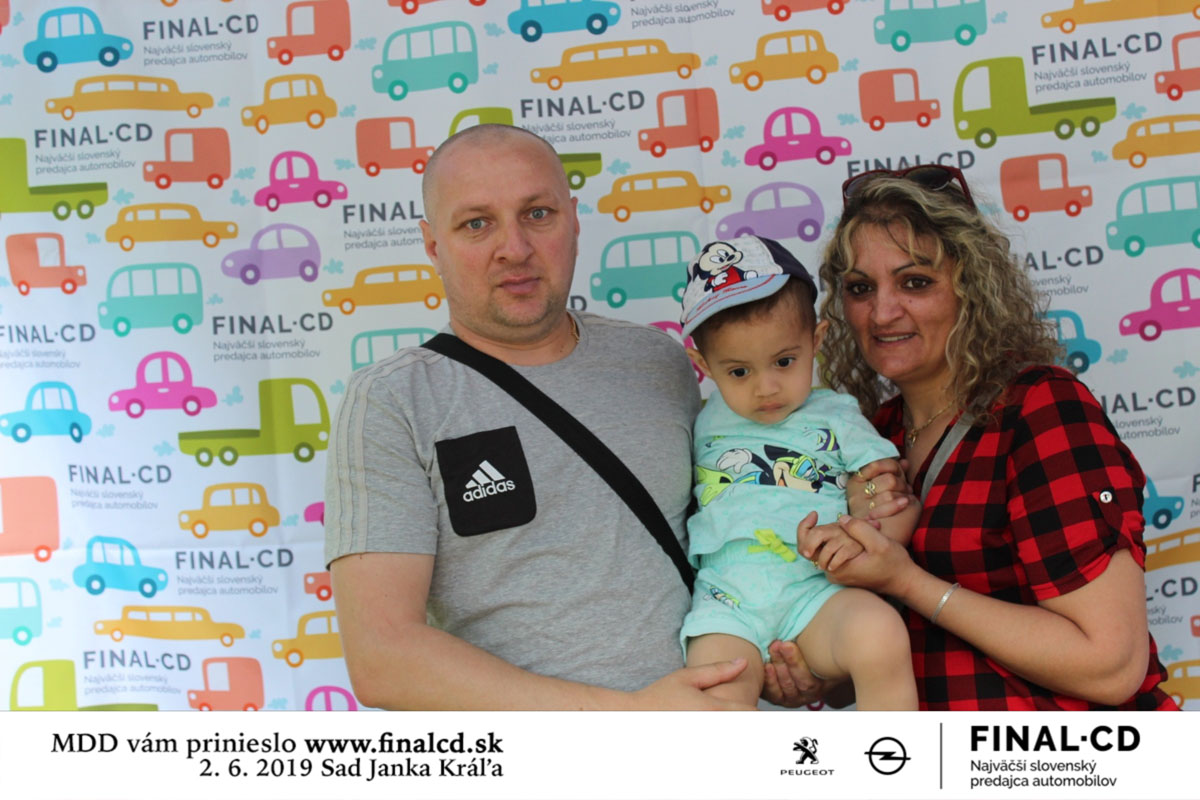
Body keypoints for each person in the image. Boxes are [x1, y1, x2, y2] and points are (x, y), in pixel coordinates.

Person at [323, 123, 755, 710]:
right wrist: (630, 718)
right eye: (476, 223)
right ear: (432, 245)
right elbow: (383, 658)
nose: (514, 247)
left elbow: (733, 537)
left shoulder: (658, 362)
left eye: (537, 214)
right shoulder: (392, 401)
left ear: (573, 220)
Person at [773, 164, 1177, 710]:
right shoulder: (870, 435)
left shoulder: (1040, 409)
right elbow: (911, 652)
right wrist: (819, 675)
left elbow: (1111, 666)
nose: (883, 312)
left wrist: (906, 581)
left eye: (915, 282)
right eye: (861, 288)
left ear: (973, 288)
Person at [678, 234, 919, 710]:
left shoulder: (837, 415)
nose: (766, 387)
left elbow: (891, 494)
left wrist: (861, 530)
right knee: (711, 697)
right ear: (703, 365)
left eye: (784, 362)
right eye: (739, 372)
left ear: (817, 341)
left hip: (817, 595)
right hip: (726, 603)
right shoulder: (696, 420)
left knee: (881, 633)